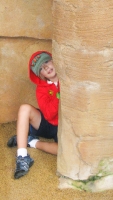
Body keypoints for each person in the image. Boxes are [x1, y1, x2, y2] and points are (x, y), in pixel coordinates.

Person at [7, 50, 60, 179]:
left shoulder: (68, 78)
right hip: (48, 123)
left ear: (55, 61)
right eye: (41, 68)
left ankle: (31, 142)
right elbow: (50, 114)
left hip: (64, 126)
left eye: (47, 61)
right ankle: (22, 156)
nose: (46, 67)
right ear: (40, 75)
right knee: (25, 108)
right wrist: (60, 94)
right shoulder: (41, 89)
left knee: (64, 152)